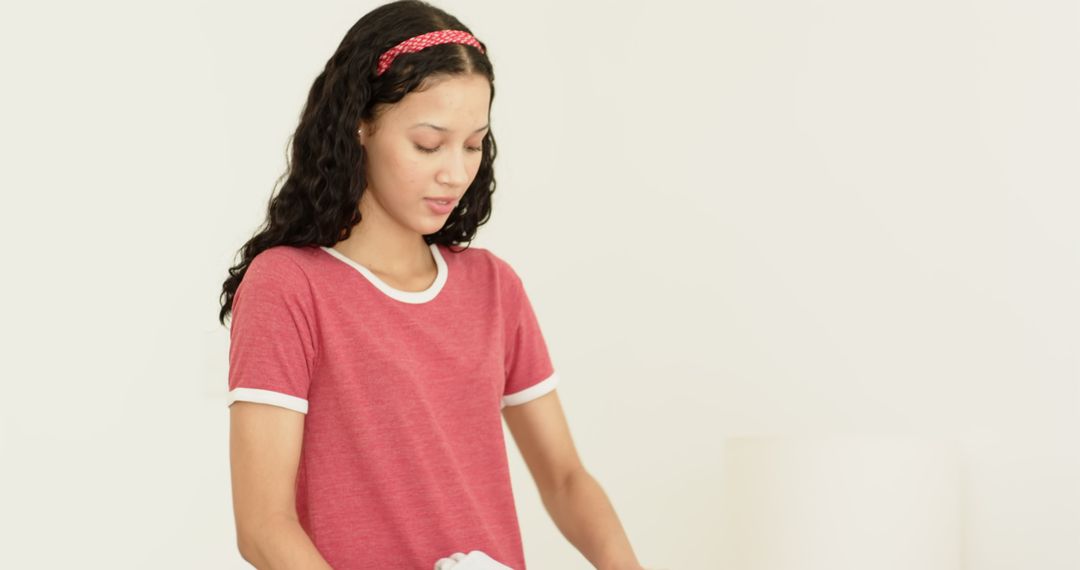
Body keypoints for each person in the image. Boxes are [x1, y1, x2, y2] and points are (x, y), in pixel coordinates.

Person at [218, 1, 647, 568]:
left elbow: (566, 479)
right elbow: (264, 527)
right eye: (428, 143)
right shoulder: (290, 286)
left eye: (473, 145)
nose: (455, 172)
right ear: (360, 124)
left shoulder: (493, 286)